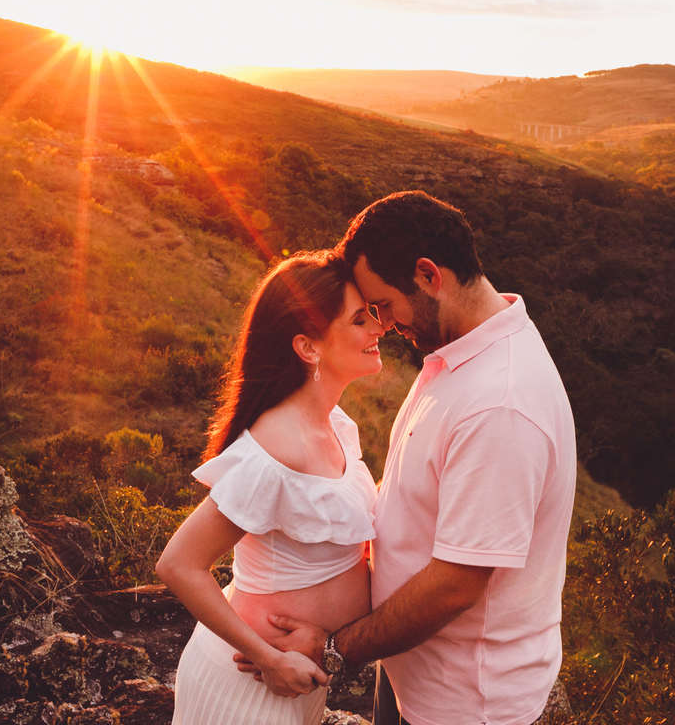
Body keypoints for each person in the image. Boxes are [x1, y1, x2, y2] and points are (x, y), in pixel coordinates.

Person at [236, 191, 577, 725]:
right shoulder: (459, 353)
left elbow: (455, 584)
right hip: (411, 677)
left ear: (428, 275)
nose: (386, 325)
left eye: (386, 305)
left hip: (463, 704)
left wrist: (333, 648)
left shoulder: (501, 404)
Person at [156, 249, 387, 725]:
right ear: (309, 347)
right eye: (360, 320)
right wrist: (267, 656)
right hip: (250, 686)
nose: (378, 330)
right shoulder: (275, 446)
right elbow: (179, 564)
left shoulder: (338, 426)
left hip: (299, 679)